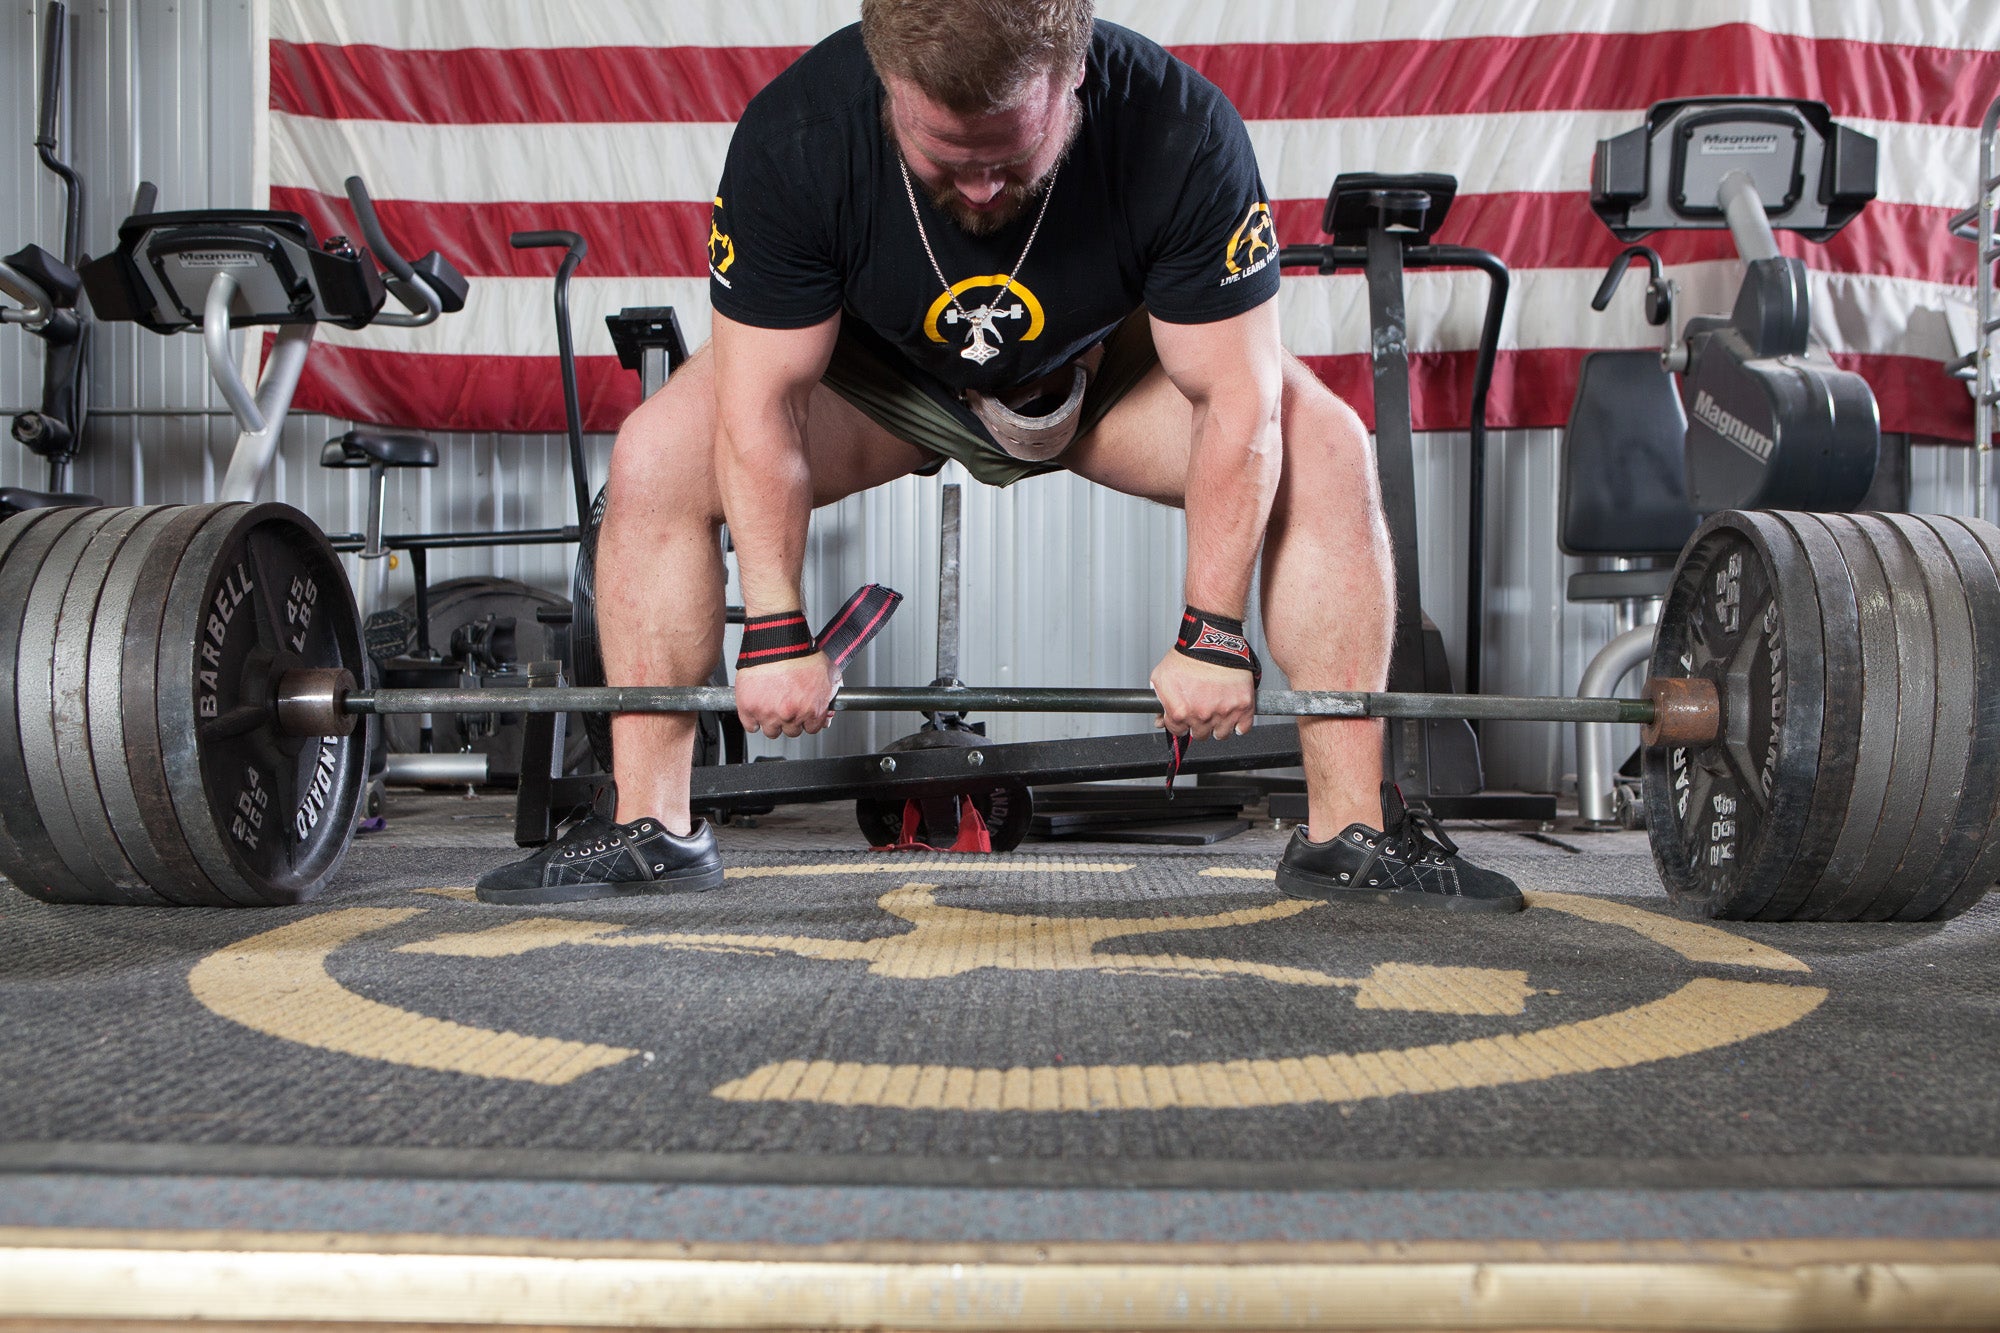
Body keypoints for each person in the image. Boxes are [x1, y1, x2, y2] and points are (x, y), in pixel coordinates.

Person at [475, 0, 1523, 913]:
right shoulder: (796, 136)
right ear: (887, 84)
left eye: (1007, 158)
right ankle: (651, 826)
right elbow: (762, 406)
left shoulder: (1177, 128)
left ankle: (1350, 834)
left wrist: (1211, 629)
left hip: (1097, 383)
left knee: (1324, 443)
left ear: (1073, 78)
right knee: (658, 448)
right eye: (945, 157)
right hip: (881, 388)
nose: (979, 193)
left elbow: (1234, 403)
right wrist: (780, 625)